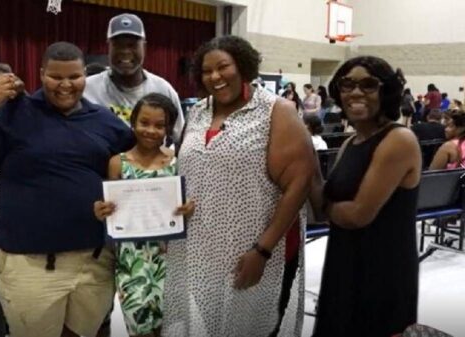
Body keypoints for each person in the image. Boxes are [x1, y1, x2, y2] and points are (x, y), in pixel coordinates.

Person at [0, 41, 134, 337]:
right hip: (30, 264)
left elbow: (139, 169)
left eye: (74, 77)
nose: (65, 85)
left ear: (84, 76)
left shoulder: (105, 121)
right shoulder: (15, 114)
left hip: (93, 261)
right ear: (41, 74)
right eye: (56, 76)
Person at [163, 35, 314, 337]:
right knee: (209, 325)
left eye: (223, 67)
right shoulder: (198, 111)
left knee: (254, 326)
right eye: (207, 71)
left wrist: (262, 251)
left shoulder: (275, 110)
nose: (215, 77)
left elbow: (298, 184)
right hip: (203, 249)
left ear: (243, 66)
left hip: (256, 250)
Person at [310, 56, 420, 337]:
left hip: (382, 274)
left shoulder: (399, 140)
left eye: (368, 85)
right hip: (344, 264)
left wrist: (326, 204)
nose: (356, 92)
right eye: (347, 85)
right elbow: (326, 205)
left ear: (387, 92)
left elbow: (358, 215)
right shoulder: (350, 142)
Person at [94, 93, 195, 337]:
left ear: (169, 129)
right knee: (138, 326)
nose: (151, 130)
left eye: (160, 125)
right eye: (144, 122)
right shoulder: (118, 163)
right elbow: (112, 209)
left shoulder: (176, 162)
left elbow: (186, 207)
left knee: (169, 327)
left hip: (170, 259)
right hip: (131, 261)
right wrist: (102, 211)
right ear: (132, 123)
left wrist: (187, 210)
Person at [85, 13, 184, 143]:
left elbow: (180, 140)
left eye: (132, 45)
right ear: (108, 47)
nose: (125, 51)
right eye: (118, 45)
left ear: (144, 47)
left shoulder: (163, 90)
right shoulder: (87, 89)